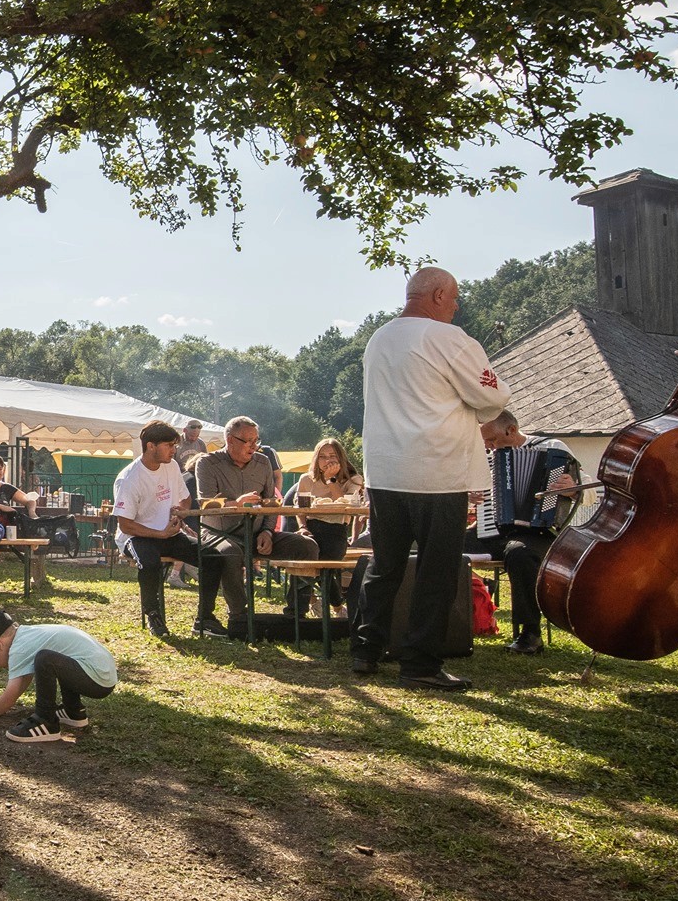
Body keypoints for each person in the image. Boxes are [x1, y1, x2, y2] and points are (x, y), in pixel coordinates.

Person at [349, 267, 511, 691]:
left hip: (386, 468)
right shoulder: (450, 339)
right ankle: (420, 663)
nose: (456, 306)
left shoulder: (379, 338)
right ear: (438, 295)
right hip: (437, 470)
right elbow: (493, 396)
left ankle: (366, 650)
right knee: (436, 572)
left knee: (385, 565)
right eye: (454, 297)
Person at [189, 416, 319, 634]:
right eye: (248, 441)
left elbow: (272, 502)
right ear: (230, 440)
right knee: (229, 552)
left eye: (256, 440)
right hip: (219, 533)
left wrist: (267, 531)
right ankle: (239, 616)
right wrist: (237, 504)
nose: (253, 446)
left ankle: (297, 613)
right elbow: (206, 504)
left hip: (257, 532)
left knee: (306, 546)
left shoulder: (263, 462)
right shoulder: (207, 463)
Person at [465, 411, 578, 655]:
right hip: (490, 529)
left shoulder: (552, 448)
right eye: (484, 441)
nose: (488, 446)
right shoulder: (485, 458)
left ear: (512, 430)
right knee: (440, 543)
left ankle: (530, 634)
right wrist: (469, 495)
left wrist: (573, 489)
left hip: (536, 532)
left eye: (492, 440)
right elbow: (469, 488)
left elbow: (585, 490)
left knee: (520, 555)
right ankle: (448, 622)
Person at [0, 609, 119, 744]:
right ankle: (73, 711)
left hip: (97, 678)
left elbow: (12, 693)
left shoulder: (19, 648)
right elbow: (22, 683)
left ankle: (46, 721)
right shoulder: (28, 635)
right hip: (103, 673)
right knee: (56, 657)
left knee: (45, 659)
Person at [112, 421, 200, 640]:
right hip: (136, 537)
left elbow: (186, 498)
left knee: (212, 557)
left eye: (174, 445)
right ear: (151, 446)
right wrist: (160, 534)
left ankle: (205, 617)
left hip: (169, 534)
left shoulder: (171, 466)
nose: (174, 450)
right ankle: (153, 614)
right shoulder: (129, 478)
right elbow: (125, 525)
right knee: (150, 562)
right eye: (169, 445)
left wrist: (179, 514)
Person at [295, 436, 365, 613]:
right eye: (323, 456)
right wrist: (302, 527)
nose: (328, 461)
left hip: (336, 529)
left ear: (341, 458)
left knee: (325, 566)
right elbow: (300, 509)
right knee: (301, 558)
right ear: (316, 459)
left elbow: (344, 505)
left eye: (332, 456)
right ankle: (303, 608)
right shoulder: (306, 479)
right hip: (311, 527)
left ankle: (336, 606)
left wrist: (330, 480)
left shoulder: (353, 480)